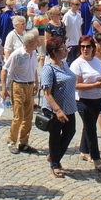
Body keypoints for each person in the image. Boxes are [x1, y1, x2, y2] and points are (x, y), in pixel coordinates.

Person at [40, 36, 77, 178]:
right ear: (55, 52)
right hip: (56, 109)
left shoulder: (64, 64)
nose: (66, 50)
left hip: (69, 106)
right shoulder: (48, 69)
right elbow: (47, 94)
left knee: (70, 132)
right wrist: (58, 111)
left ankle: (54, 156)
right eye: (63, 48)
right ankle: (55, 163)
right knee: (55, 136)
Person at [70, 35, 101, 170]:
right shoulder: (77, 64)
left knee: (89, 124)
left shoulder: (97, 61)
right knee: (92, 128)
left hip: (97, 98)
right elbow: (76, 85)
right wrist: (94, 85)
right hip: (83, 100)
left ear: (93, 48)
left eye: (88, 47)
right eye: (82, 47)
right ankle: (96, 158)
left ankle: (84, 150)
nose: (85, 49)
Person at [1, 30, 40, 155]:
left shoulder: (33, 53)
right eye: (36, 42)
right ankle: (11, 141)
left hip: (30, 86)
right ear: (29, 42)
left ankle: (23, 142)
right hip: (18, 86)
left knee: (28, 117)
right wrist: (4, 89)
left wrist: (37, 83)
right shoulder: (17, 54)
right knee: (18, 116)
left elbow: (34, 69)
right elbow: (4, 70)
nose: (39, 44)